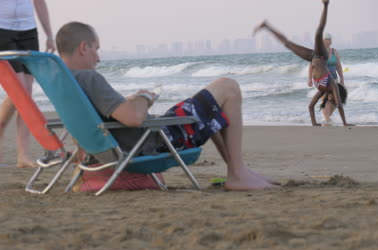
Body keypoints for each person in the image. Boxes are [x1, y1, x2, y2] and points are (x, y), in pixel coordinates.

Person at [55, 22, 278, 191]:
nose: (99, 58)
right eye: (96, 48)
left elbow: (95, 122)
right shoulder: (88, 78)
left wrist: (129, 102)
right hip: (158, 140)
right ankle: (237, 173)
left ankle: (239, 170)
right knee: (228, 87)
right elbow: (133, 119)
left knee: (210, 108)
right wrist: (144, 97)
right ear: (84, 47)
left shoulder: (63, 83)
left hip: (130, 143)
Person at [0, 0, 55, 167]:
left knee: (26, 94)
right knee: (19, 92)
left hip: (28, 31)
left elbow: (39, 3)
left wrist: (49, 35)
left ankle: (23, 156)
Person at [253, 0, 353, 126]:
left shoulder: (322, 90)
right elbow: (339, 105)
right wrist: (345, 123)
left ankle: (266, 26)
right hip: (321, 56)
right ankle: (326, 4)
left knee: (288, 44)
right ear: (335, 92)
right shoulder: (333, 84)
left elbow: (311, 106)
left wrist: (314, 123)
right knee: (318, 33)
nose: (332, 98)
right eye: (333, 96)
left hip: (312, 57)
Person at [308, 33, 347, 125]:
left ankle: (327, 118)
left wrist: (342, 78)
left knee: (334, 100)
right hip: (322, 80)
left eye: (329, 39)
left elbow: (338, 65)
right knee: (326, 99)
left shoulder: (334, 51)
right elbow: (311, 66)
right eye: (326, 39)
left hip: (334, 80)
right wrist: (309, 79)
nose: (328, 40)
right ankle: (327, 120)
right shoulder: (317, 52)